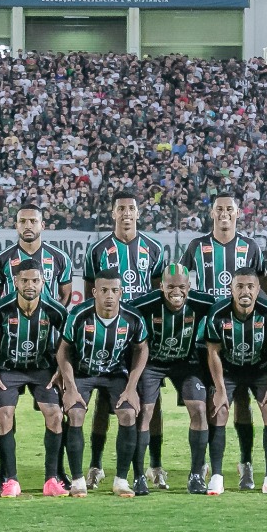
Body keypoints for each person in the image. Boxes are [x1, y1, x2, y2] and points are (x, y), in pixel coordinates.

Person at [179, 192, 265, 488]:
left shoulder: (250, 247)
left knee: (242, 401)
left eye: (230, 209)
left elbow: (259, 289)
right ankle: (205, 466)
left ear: (237, 213)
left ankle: (246, 464)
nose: (225, 213)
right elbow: (181, 284)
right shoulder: (196, 246)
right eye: (219, 209)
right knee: (211, 403)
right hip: (206, 340)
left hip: (241, 337)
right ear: (212, 213)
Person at [81, 192, 165, 485]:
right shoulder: (99, 250)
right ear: (113, 212)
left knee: (151, 400)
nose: (126, 213)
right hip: (108, 334)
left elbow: (159, 294)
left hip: (140, 335)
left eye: (131, 208)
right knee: (105, 400)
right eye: (121, 208)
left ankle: (154, 464)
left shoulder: (153, 248)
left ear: (138, 213)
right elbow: (91, 291)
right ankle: (95, 464)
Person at [58, 268, 150, 497]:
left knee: (128, 414)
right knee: (75, 412)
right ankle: (78, 480)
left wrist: (131, 387)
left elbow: (142, 348)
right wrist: (70, 387)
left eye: (115, 290)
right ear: (94, 292)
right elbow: (63, 351)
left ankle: (121, 480)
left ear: (121, 292)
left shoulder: (133, 317)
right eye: (104, 290)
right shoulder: (79, 315)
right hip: (83, 372)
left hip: (115, 373)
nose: (109, 295)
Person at [0, 263, 70, 496]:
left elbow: (66, 339)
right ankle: (10, 479)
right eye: (25, 281)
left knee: (55, 414)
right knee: (3, 416)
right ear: (16, 282)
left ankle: (52, 479)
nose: (30, 285)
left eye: (35, 281)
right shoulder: (0, 308)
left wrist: (61, 369)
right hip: (8, 368)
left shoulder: (54, 309)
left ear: (43, 282)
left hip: (42, 369)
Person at [131, 266, 216, 493]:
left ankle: (196, 474)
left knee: (199, 409)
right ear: (161, 287)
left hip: (186, 363)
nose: (176, 292)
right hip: (152, 364)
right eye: (170, 287)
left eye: (181, 287)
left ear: (189, 287)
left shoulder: (203, 302)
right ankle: (139, 475)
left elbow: (225, 311)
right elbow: (126, 317)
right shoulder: (144, 304)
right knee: (145, 412)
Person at [202, 267, 267, 493]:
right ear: (231, 288)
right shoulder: (218, 313)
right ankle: (217, 476)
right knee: (219, 410)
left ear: (258, 289)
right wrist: (219, 389)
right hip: (228, 368)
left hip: (258, 368)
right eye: (239, 286)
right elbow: (213, 352)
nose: (245, 291)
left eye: (250, 286)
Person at [0, 205, 73, 305]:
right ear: (16, 226)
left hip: (48, 320)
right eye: (22, 221)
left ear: (42, 225)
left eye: (33, 221)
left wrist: (54, 316)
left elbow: (66, 295)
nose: (28, 226)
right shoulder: (0, 259)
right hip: (12, 319)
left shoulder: (61, 258)